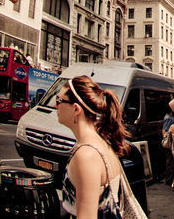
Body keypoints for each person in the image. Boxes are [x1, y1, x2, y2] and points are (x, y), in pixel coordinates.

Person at [57, 76, 133, 218]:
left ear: (76, 109)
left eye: (59, 101)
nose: (56, 106)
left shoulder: (86, 155)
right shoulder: (100, 143)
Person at [162, 110, 174, 190]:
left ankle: (172, 180)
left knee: (173, 163)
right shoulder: (168, 118)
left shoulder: (170, 117)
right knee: (171, 163)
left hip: (172, 145)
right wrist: (167, 142)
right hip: (171, 145)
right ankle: (170, 180)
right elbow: (164, 131)